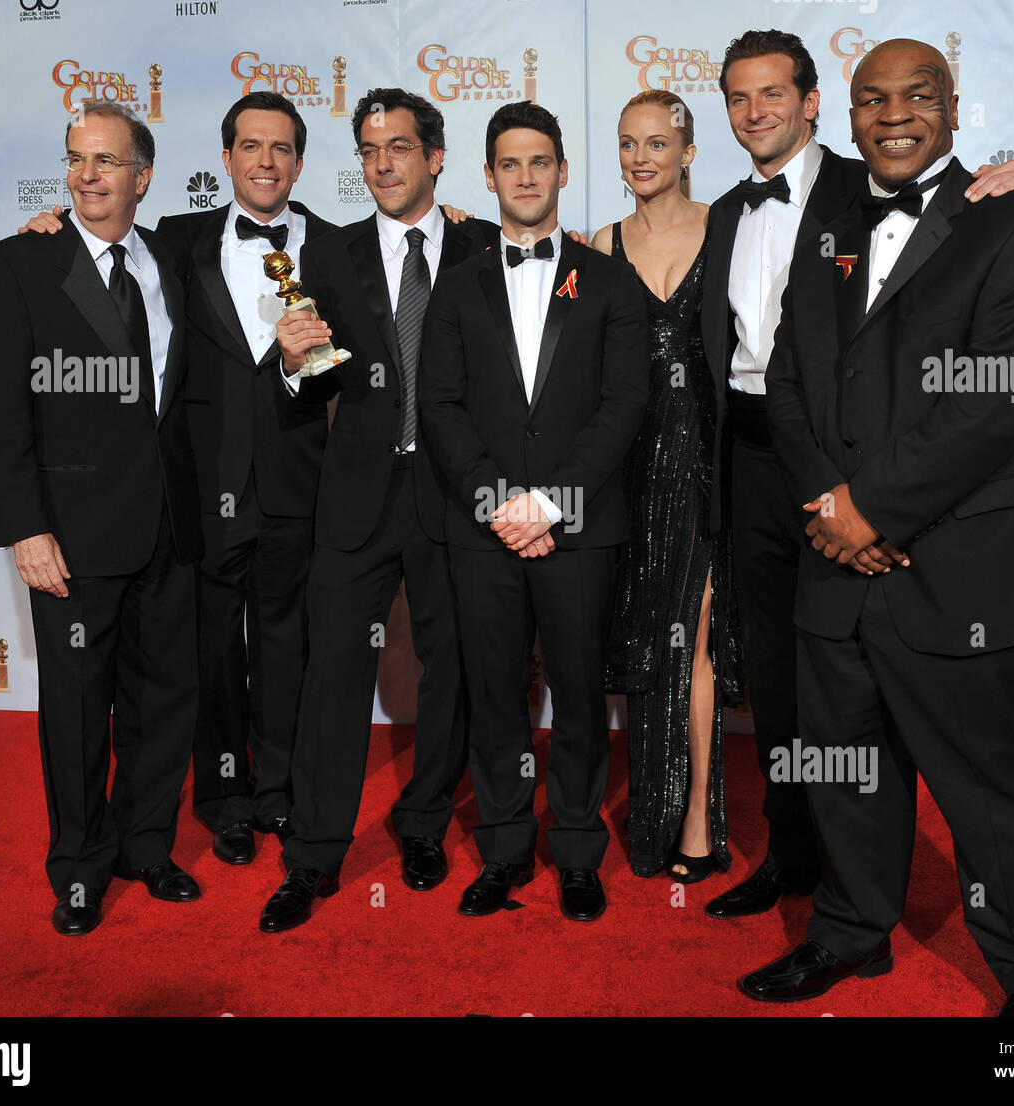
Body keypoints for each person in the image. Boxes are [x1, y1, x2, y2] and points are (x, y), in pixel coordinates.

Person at [741, 38, 1014, 1017]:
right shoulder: (827, 219)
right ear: (845, 116)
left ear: (953, 105)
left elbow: (997, 400)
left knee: (997, 793)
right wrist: (827, 505)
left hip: (966, 569)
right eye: (871, 99)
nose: (893, 115)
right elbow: (792, 376)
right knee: (845, 768)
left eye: (917, 95)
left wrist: (871, 510)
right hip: (835, 564)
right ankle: (852, 932)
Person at [18, 93, 336, 866]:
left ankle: (279, 792)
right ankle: (223, 796)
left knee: (289, 647)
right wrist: (47, 231)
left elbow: (352, 350)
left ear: (299, 162)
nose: (265, 161)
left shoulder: (341, 248)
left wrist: (456, 224)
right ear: (224, 159)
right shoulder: (174, 244)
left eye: (281, 148)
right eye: (250, 146)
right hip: (197, 493)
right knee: (211, 655)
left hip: (298, 485)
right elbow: (96, 250)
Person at [258, 88, 500, 933]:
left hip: (453, 494)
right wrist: (290, 365)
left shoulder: (485, 246)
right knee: (332, 678)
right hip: (356, 497)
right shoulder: (323, 251)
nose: (383, 163)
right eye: (368, 149)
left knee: (453, 671)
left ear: (436, 156)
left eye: (400, 146)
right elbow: (304, 373)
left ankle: (424, 821)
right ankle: (314, 855)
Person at [0, 102, 202, 935]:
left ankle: (147, 846)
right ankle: (78, 869)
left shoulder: (173, 259)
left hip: (169, 531)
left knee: (164, 701)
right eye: (76, 159)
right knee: (74, 709)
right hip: (70, 535)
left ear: (143, 176)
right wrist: (24, 528)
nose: (87, 175)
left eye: (106, 161)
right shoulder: (16, 265)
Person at [419, 101, 648, 922]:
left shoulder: (612, 284)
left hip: (579, 528)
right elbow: (439, 407)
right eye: (509, 164)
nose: (525, 176)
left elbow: (624, 407)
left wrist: (549, 503)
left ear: (559, 171)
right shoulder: (454, 288)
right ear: (487, 177)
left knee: (582, 694)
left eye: (540, 162)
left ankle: (579, 852)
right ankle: (506, 847)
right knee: (494, 695)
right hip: (481, 530)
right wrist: (498, 504)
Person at [594, 90, 743, 882]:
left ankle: (697, 818)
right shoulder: (599, 242)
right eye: (627, 143)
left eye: (657, 142)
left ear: (688, 150)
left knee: (698, 643)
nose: (641, 157)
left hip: (707, 462)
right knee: (650, 640)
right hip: (627, 464)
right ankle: (651, 810)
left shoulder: (731, 226)